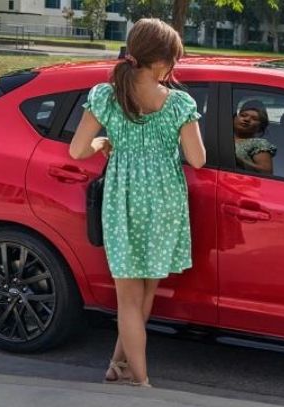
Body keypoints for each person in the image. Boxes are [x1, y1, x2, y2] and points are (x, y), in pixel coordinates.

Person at [67, 18, 206, 388]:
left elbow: (78, 150)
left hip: (124, 201)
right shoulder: (179, 103)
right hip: (164, 202)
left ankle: (120, 364)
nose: (175, 66)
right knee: (144, 293)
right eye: (174, 59)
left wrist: (103, 143)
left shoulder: (106, 96)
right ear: (160, 61)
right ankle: (139, 381)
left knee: (129, 297)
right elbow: (198, 160)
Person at [233, 103, 277, 174]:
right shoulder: (219, 135)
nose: (247, 119)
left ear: (260, 127)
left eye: (254, 119)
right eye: (243, 115)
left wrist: (238, 160)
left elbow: (266, 172)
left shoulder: (259, 144)